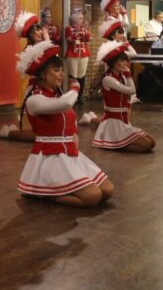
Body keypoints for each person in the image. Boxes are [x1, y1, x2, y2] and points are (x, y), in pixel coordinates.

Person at [16, 40, 114, 207]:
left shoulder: (57, 96)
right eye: (56, 70)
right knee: (92, 197)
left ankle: (50, 190)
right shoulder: (34, 100)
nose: (61, 74)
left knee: (107, 190)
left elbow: (68, 119)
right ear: (42, 74)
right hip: (50, 158)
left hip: (70, 154)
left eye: (62, 70)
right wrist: (75, 89)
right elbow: (66, 104)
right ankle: (42, 193)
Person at [92, 41, 156, 152]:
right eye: (122, 60)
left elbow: (130, 94)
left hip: (124, 121)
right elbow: (132, 91)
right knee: (146, 145)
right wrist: (128, 74)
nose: (125, 63)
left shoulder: (121, 76)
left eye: (125, 60)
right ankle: (116, 144)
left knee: (152, 143)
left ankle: (117, 142)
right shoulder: (108, 79)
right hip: (114, 123)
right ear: (113, 63)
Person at [0, 11, 48, 141]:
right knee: (39, 135)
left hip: (48, 89)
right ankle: (9, 133)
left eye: (41, 30)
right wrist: (47, 42)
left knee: (49, 131)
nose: (40, 33)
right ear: (29, 34)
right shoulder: (28, 51)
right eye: (37, 31)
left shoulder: (44, 46)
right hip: (36, 90)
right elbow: (45, 64)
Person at [78, 17, 138, 125]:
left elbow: (134, 54)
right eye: (119, 33)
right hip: (113, 78)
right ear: (113, 35)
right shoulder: (109, 48)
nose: (122, 35)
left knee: (125, 109)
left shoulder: (120, 47)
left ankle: (92, 117)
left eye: (122, 32)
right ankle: (90, 119)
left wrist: (127, 43)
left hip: (122, 77)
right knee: (114, 113)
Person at [64, 9, 91, 103]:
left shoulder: (84, 29)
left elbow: (88, 38)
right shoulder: (68, 28)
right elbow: (70, 38)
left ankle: (79, 97)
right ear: (74, 19)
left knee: (82, 75)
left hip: (83, 54)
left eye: (82, 19)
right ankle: (73, 97)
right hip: (73, 54)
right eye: (79, 19)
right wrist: (78, 33)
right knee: (73, 76)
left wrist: (85, 32)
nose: (81, 20)